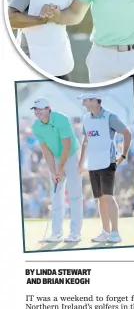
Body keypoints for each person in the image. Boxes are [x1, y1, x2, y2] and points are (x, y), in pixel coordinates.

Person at [77, 93, 131, 244]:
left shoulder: (110, 117)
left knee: (108, 197)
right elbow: (85, 141)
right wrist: (81, 163)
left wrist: (123, 155)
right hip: (93, 164)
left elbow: (127, 133)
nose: (83, 103)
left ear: (95, 101)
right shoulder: (86, 118)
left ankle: (115, 233)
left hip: (107, 162)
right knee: (100, 199)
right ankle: (105, 232)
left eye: (85, 100)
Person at [30, 97, 83, 242]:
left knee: (74, 195)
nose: (37, 112)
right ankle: (56, 233)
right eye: (35, 109)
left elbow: (67, 146)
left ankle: (75, 233)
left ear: (48, 108)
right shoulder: (36, 126)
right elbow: (45, 151)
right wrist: (53, 171)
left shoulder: (61, 119)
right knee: (56, 196)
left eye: (40, 109)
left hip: (72, 155)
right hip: (55, 157)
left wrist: (60, 168)